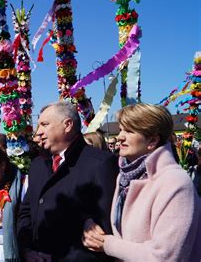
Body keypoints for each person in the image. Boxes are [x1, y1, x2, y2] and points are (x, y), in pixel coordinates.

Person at [82, 103, 201, 261]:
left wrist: (107, 244)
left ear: (152, 140)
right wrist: (91, 226)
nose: (120, 137)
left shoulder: (175, 183)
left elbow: (165, 257)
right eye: (121, 129)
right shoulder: (126, 176)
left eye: (129, 131)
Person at [17, 101, 118, 261]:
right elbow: (26, 213)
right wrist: (27, 250)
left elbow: (103, 229)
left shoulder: (101, 164)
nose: (38, 133)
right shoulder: (37, 165)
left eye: (44, 124)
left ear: (68, 124)